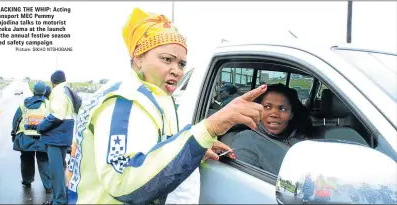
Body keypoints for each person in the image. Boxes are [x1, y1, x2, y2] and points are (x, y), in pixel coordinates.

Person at [65, 7, 265, 204]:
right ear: (138, 58)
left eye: (181, 64)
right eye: (166, 59)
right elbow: (122, 180)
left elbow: (153, 147)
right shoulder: (125, 101)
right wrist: (208, 129)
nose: (176, 71)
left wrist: (194, 148)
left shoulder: (152, 95)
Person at [221, 83, 312, 175]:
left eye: (283, 109)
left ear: (291, 115)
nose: (274, 114)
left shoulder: (296, 140)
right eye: (267, 107)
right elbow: (242, 182)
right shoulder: (247, 139)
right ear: (257, 110)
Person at [37, 70, 81, 205]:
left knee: (56, 172)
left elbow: (57, 115)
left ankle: (59, 200)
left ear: (53, 82)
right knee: (60, 170)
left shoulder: (58, 91)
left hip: (56, 137)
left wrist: (41, 127)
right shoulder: (68, 90)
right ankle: (58, 197)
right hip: (64, 135)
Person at [11, 81, 52, 193]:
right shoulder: (49, 104)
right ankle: (48, 186)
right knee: (44, 160)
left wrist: (13, 132)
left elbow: (16, 119)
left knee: (26, 160)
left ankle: (27, 181)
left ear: (33, 90)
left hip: (26, 137)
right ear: (44, 91)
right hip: (42, 137)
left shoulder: (24, 104)